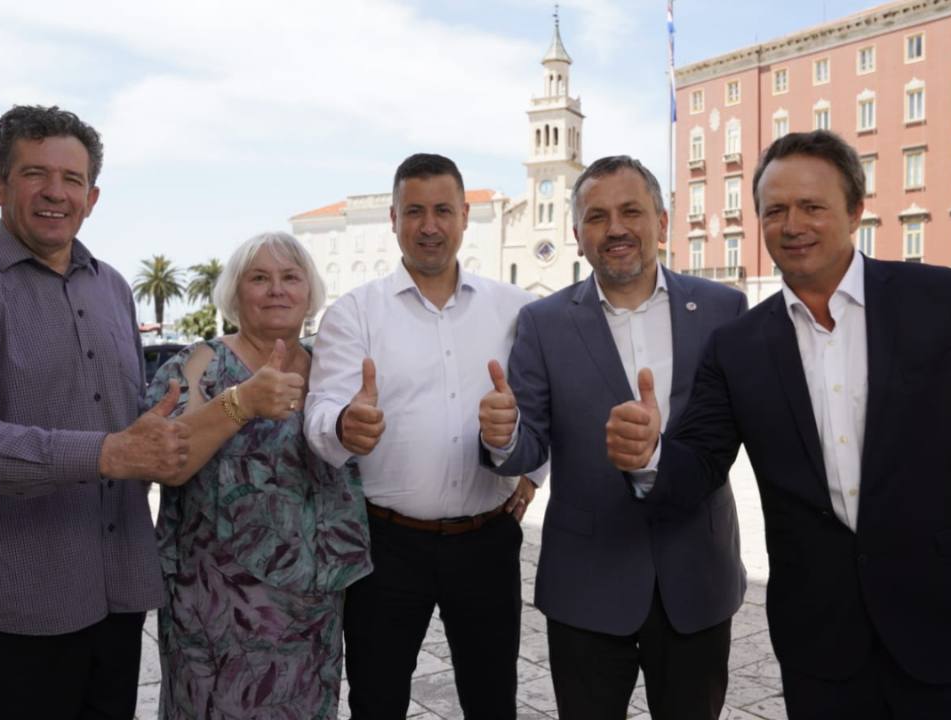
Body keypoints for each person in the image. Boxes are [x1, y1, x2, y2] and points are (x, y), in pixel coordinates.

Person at [606, 130, 951, 719]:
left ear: (856, 210)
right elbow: (700, 462)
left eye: (812, 206)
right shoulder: (737, 346)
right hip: (822, 647)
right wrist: (650, 454)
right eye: (775, 211)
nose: (792, 225)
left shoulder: (946, 302)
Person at [0, 104, 190, 719]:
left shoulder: (113, 287)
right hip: (5, 612)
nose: (56, 192)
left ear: (93, 197)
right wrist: (107, 452)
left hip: (115, 602)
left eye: (72, 179)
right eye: (35, 173)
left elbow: (135, 424)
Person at [479, 155, 748, 719]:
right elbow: (530, 446)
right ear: (578, 235)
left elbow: (738, 428)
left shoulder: (723, 310)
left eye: (631, 211)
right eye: (597, 217)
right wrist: (503, 437)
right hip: (587, 583)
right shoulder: (543, 322)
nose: (616, 228)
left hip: (696, 576)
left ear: (662, 222)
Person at [305, 153, 544, 720]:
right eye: (414, 211)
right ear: (394, 219)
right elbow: (320, 413)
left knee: (492, 700)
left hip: (487, 542)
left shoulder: (515, 309)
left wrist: (533, 473)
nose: (429, 225)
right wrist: (343, 425)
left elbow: (543, 404)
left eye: (442, 210)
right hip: (386, 547)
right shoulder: (354, 313)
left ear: (465, 217)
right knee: (377, 699)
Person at [145, 231, 372, 719]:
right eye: (259, 278)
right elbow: (167, 462)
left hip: (313, 613)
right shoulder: (201, 364)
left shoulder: (331, 370)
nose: (277, 290)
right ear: (235, 292)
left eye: (290, 277)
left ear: (309, 292)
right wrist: (242, 403)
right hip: (216, 611)